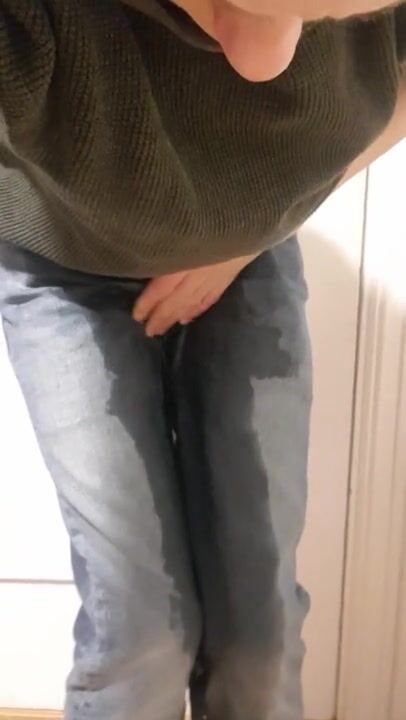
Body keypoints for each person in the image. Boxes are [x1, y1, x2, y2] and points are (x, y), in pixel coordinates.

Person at [0, 1, 405, 719]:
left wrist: (246, 238)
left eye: (327, 17)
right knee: (141, 638)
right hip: (57, 250)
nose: (265, 62)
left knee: (261, 637)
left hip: (246, 249)